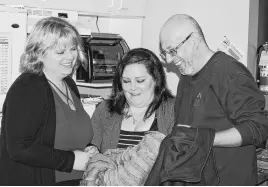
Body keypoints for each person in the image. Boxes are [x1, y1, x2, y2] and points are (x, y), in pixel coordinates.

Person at [158, 14, 268, 185]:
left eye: (172, 51)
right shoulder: (186, 77)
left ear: (194, 40)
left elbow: (258, 128)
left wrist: (205, 138)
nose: (169, 60)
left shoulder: (229, 73)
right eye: (165, 53)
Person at [0, 16, 97, 185]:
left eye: (73, 49)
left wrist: (88, 148)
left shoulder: (69, 84)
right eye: (60, 52)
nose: (70, 56)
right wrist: (72, 160)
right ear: (39, 54)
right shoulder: (28, 86)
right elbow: (19, 149)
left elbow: (65, 135)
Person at [90, 48, 175, 153]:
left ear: (156, 80)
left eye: (140, 81)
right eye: (126, 81)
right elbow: (91, 147)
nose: (133, 87)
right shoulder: (104, 110)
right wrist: (91, 150)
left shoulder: (173, 110)